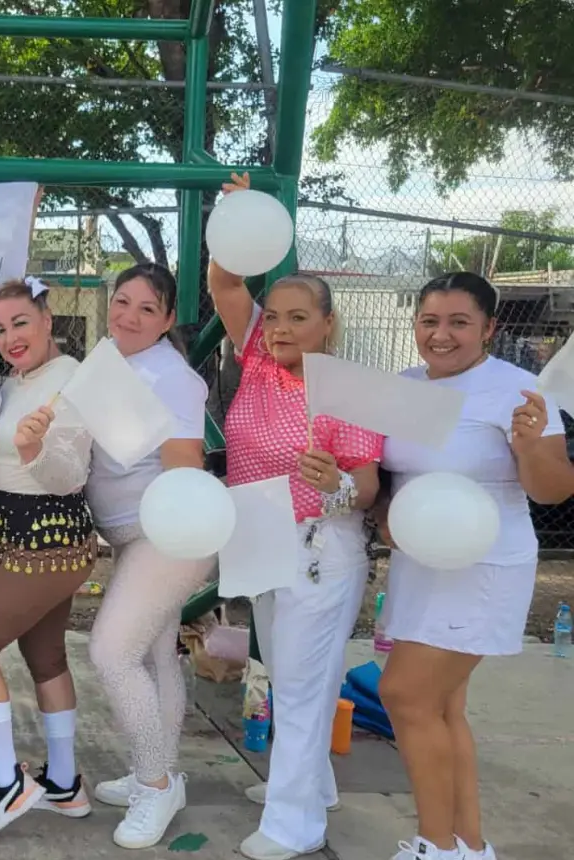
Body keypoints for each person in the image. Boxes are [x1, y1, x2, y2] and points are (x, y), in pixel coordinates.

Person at [208, 174, 384, 860]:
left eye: (296, 317)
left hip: (321, 547)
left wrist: (335, 483)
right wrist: (236, 214)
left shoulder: (350, 390)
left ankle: (294, 824)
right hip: (259, 537)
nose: (278, 326)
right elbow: (226, 284)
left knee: (307, 686)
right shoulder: (257, 359)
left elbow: (365, 489)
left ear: (328, 323)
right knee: (286, 674)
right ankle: (311, 785)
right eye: (273, 315)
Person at [374, 273, 574, 860]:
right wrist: (386, 514)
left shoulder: (521, 392)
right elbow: (396, 477)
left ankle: (434, 847)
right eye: (429, 321)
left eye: (459, 322)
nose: (441, 335)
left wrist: (533, 444)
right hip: (419, 565)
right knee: (442, 707)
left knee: (404, 695)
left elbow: (551, 492)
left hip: (485, 566)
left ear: (489, 328)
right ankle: (469, 846)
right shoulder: (403, 386)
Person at [0, 276, 97, 840]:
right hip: (21, 538)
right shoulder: (17, 381)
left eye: (20, 323)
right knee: (47, 659)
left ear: (46, 317)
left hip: (46, 541)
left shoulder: (71, 381)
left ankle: (10, 784)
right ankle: (63, 783)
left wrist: (37, 450)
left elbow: (72, 475)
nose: (11, 337)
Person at [85, 264, 212, 849]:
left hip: (166, 534)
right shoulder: (110, 361)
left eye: (145, 308)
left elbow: (186, 469)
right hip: (135, 536)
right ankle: (156, 773)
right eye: (122, 301)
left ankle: (155, 783)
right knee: (158, 656)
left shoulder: (171, 377)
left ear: (166, 320)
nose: (128, 315)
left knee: (112, 652)